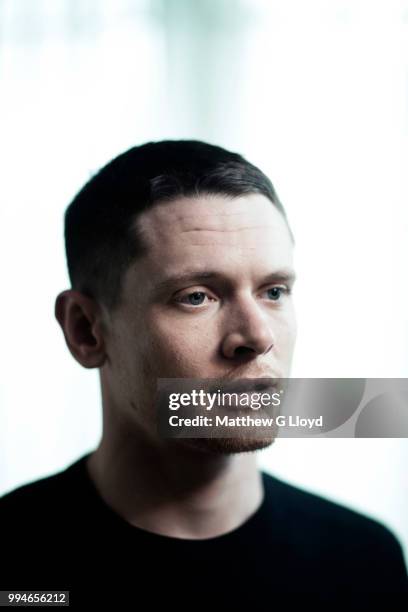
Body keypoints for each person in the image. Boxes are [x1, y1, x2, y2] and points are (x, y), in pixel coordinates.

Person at [0, 141, 407, 609]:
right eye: (196, 296)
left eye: (274, 291)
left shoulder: (363, 561)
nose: (257, 336)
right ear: (86, 330)